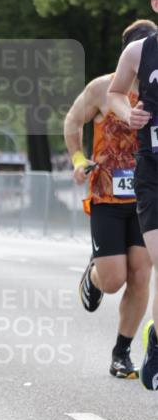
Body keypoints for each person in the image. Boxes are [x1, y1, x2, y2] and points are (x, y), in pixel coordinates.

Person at [64, 20, 157, 379]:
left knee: (141, 273)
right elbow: (72, 121)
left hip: (147, 195)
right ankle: (95, 275)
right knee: (115, 278)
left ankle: (122, 352)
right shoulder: (104, 88)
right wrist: (78, 159)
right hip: (106, 195)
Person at [107, 0, 158, 390]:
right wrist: (129, 113)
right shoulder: (139, 52)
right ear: (156, 5)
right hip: (152, 170)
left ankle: (155, 336)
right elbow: (115, 93)